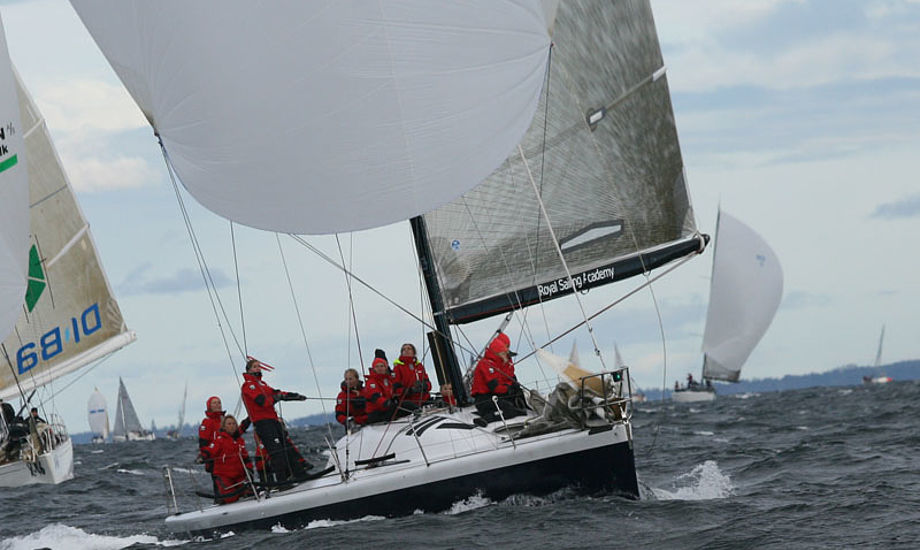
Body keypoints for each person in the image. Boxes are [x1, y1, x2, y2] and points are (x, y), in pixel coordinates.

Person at [241, 357, 310, 484]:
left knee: (286, 446)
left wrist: (294, 396)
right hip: (263, 422)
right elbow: (262, 401)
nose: (258, 368)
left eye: (258, 366)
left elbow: (276, 393)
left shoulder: (263, 384)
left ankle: (300, 474)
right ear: (248, 370)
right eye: (255, 366)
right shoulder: (248, 386)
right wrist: (276, 398)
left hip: (272, 420)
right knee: (276, 451)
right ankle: (282, 481)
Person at [470, 332, 526, 425]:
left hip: (496, 395)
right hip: (484, 398)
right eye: (504, 352)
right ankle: (487, 418)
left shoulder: (500, 363)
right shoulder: (486, 364)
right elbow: (495, 387)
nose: (506, 355)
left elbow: (509, 379)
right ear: (497, 353)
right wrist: (509, 387)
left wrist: (512, 387)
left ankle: (524, 409)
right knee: (508, 409)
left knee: (519, 395)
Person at [201, 415, 254, 504]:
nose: (232, 426)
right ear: (224, 426)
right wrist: (203, 456)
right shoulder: (219, 440)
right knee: (231, 498)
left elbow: (246, 458)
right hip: (224, 476)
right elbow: (210, 451)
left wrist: (250, 469)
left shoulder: (240, 441)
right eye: (229, 424)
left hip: (239, 475)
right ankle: (222, 500)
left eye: (233, 424)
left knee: (250, 493)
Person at [363, 356, 397, 424]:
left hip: (387, 410)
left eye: (382, 366)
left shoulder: (388, 381)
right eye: (377, 366)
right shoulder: (371, 382)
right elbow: (375, 396)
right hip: (376, 413)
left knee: (405, 405)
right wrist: (387, 403)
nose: (380, 368)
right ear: (374, 369)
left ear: (385, 368)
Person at [197, 396, 224, 471]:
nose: (217, 405)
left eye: (219, 403)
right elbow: (203, 442)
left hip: (226, 457)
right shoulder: (207, 422)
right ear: (209, 406)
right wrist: (206, 455)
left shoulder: (224, 420)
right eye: (214, 403)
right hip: (214, 458)